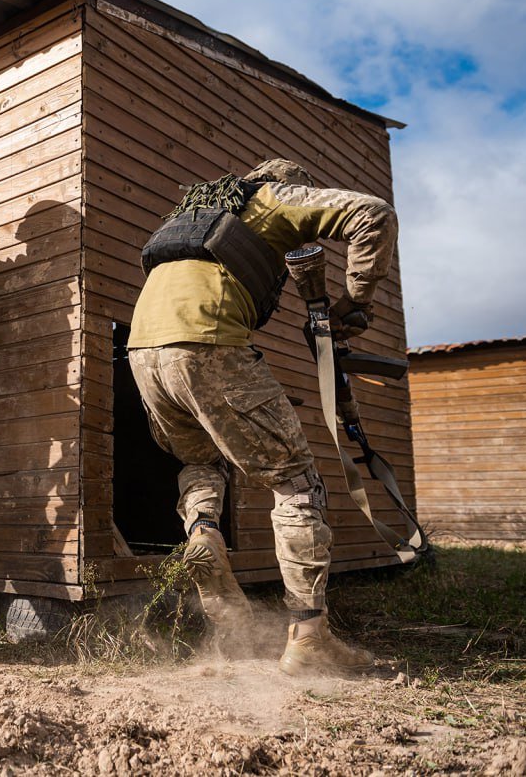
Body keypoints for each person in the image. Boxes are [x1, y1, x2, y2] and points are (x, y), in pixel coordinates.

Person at [127, 158, 398, 676]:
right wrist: (356, 303)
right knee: (297, 484)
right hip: (208, 346)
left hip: (145, 353)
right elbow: (373, 214)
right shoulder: (274, 199)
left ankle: (204, 533)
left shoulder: (197, 211)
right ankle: (310, 637)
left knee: (200, 460)